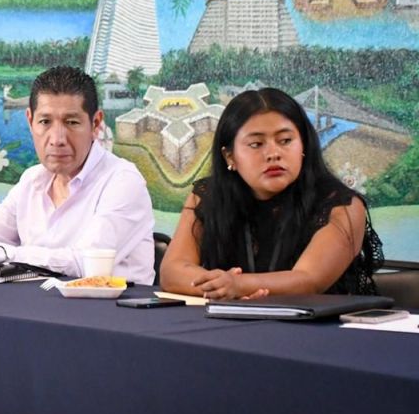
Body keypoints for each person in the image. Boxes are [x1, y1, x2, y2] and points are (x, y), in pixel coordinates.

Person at [0, 66, 155, 284]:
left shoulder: (123, 181)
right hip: (36, 305)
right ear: (30, 121)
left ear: (95, 124)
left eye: (72, 122)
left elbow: (85, 263)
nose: (57, 139)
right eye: (45, 122)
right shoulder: (32, 179)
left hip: (110, 309)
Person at [160, 88, 381, 300]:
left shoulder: (342, 206)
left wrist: (237, 286)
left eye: (285, 141)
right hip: (227, 321)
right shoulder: (208, 196)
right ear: (230, 156)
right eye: (256, 144)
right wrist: (222, 288)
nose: (273, 153)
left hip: (323, 324)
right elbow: (172, 271)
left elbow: (308, 281)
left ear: (304, 145)